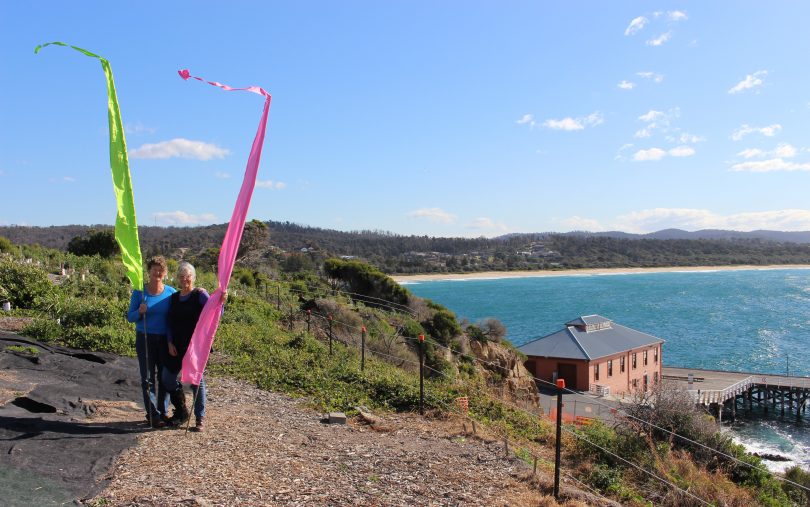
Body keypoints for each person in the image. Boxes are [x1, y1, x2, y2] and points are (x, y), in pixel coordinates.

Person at [162, 261, 216, 431]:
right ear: (178, 278)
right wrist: (169, 342)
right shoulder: (174, 298)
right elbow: (169, 322)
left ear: (193, 278)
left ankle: (200, 418)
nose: (185, 279)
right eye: (182, 276)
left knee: (196, 381)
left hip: (195, 346)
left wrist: (222, 299)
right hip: (176, 345)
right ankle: (182, 409)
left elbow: (215, 312)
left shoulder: (200, 295)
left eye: (188, 276)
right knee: (167, 378)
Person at [127, 256, 176, 428]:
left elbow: (177, 317)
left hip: (164, 340)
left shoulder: (171, 293)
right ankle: (153, 414)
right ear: (148, 271)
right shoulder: (139, 293)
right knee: (147, 378)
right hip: (145, 338)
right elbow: (130, 317)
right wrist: (140, 312)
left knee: (164, 377)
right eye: (154, 269)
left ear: (165, 273)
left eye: (161, 270)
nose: (157, 272)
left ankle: (162, 412)